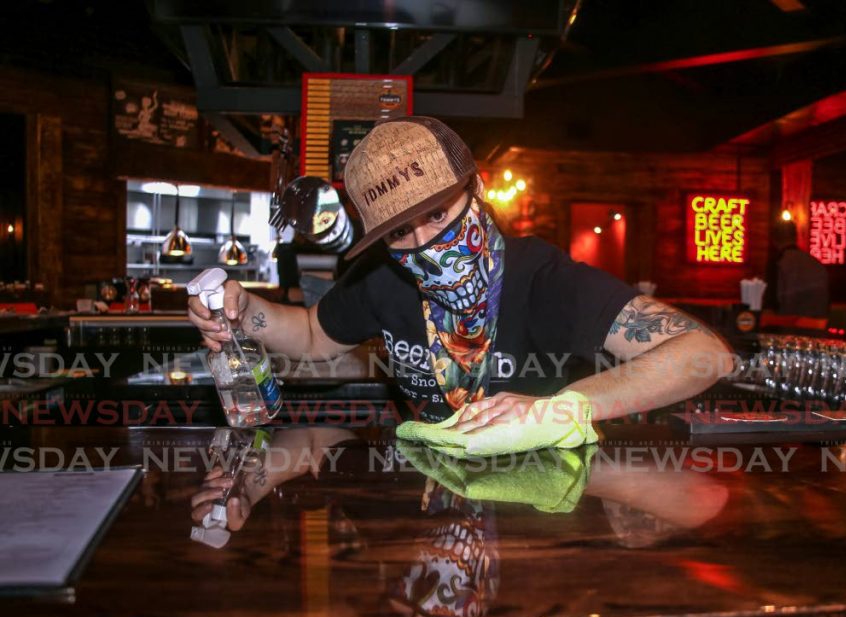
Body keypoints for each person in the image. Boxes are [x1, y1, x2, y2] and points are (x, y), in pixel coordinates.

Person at [188, 116, 733, 430]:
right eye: (401, 232)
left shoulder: (538, 276)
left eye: (438, 215)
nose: (426, 245)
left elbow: (704, 353)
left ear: (475, 192)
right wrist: (243, 308)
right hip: (423, 496)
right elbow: (310, 335)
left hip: (538, 514)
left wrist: (558, 409)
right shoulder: (383, 276)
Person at [766, 220, 829, 318]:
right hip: (816, 327)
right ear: (796, 236)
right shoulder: (816, 264)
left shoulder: (778, 263)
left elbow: (771, 304)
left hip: (788, 328)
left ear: (774, 240)